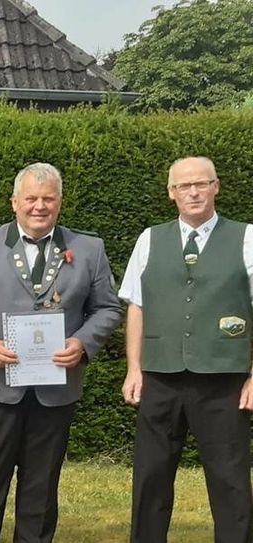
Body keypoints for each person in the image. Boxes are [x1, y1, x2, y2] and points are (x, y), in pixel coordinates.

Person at [0, 162, 121, 543]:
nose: (40, 206)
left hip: (54, 391)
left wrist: (84, 343)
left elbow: (108, 308)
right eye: (32, 198)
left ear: (60, 202)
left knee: (41, 487)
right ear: (14, 202)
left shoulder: (88, 248)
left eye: (48, 199)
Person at [119, 156, 253, 542]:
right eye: (183, 186)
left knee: (230, 480)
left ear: (216, 187)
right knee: (150, 478)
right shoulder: (149, 238)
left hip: (223, 378)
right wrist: (134, 368)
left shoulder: (245, 238)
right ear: (171, 194)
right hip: (160, 377)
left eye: (200, 184)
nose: (192, 192)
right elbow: (137, 306)